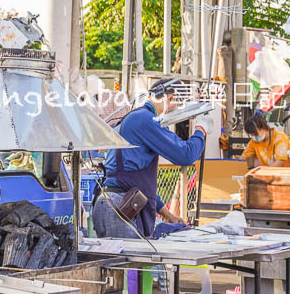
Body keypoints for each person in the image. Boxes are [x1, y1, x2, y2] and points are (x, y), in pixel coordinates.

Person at [91, 78, 217, 239]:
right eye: (178, 107)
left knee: (126, 263)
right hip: (121, 207)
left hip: (113, 204)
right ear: (170, 98)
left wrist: (168, 214)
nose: (175, 112)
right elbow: (186, 155)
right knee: (132, 263)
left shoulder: (136, 118)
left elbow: (136, 182)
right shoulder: (145, 119)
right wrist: (201, 130)